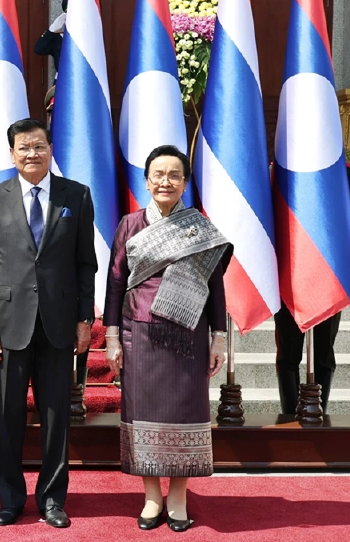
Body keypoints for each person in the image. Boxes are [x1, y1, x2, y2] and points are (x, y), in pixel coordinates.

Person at [0, 117, 96, 529]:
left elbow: (85, 265)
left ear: (50, 148)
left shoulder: (75, 196)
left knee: (57, 415)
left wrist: (84, 318)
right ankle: (9, 498)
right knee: (7, 417)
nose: (31, 154)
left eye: (39, 146)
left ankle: (53, 499)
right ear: (12, 153)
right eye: (23, 148)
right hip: (8, 325)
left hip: (59, 323)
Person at [103, 145, 232, 533]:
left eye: (174, 175)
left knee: (184, 413)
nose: (165, 181)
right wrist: (111, 336)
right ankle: (151, 497)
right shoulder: (129, 224)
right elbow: (114, 283)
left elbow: (215, 286)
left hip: (187, 336)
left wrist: (219, 338)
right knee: (143, 414)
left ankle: (178, 496)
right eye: (158, 174)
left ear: (185, 183)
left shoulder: (199, 227)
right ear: (146, 180)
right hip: (138, 334)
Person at [274, 163, 350, 415]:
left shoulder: (342, 170)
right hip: (290, 271)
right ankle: (290, 415)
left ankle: (317, 414)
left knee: (323, 353)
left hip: (328, 275)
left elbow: (349, 217)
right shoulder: (279, 168)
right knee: (288, 354)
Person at [35, 0, 67, 119]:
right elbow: (39, 49)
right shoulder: (57, 38)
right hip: (61, 80)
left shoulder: (87, 36)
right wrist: (51, 30)